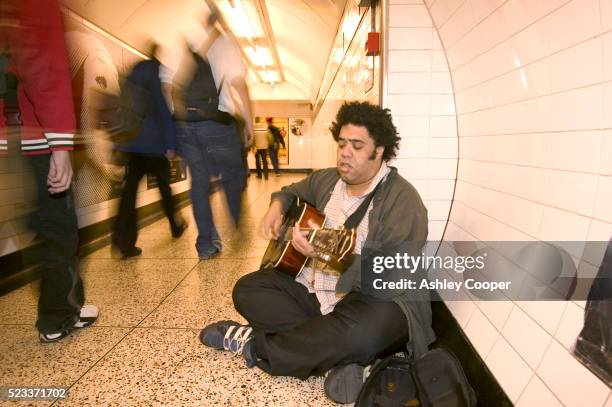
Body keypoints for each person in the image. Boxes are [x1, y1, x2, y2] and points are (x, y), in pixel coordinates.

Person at [199, 101, 435, 403]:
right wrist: (276, 207)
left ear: (379, 151)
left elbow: (389, 276)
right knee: (248, 288)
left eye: (357, 146)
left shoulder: (403, 201)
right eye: (342, 144)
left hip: (371, 305)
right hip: (317, 297)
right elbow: (292, 191)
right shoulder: (328, 180)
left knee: (365, 332)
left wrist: (325, 252)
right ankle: (342, 358)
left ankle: (254, 346)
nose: (345, 153)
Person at [0, 0, 98, 343]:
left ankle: (70, 302)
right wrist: (59, 145)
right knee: (58, 229)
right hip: (32, 137)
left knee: (39, 227)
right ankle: (57, 316)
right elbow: (44, 67)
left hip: (7, 137)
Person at [174, 11, 253, 260]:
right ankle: (236, 224)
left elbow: (172, 87)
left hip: (187, 124)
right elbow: (239, 84)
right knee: (233, 175)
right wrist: (250, 123)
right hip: (217, 123)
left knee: (199, 184)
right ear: (219, 22)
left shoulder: (188, 45)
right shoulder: (226, 44)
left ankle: (206, 244)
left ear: (202, 22)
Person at [111, 42, 186, 259]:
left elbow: (121, 113)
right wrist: (172, 145)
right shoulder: (155, 75)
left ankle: (123, 242)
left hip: (131, 147)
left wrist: (119, 145)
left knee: (128, 197)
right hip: (153, 147)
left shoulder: (131, 76)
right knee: (164, 189)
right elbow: (163, 111)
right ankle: (175, 224)